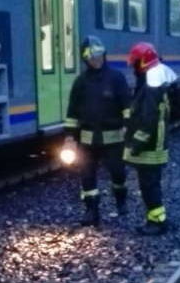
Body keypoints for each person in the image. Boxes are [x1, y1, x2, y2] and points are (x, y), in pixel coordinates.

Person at [64, 35, 131, 226]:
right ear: (85, 58)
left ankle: (121, 202)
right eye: (92, 56)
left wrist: (128, 126)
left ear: (104, 54)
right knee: (87, 177)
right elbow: (72, 112)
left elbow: (127, 105)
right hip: (87, 140)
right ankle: (91, 211)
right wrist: (69, 137)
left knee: (118, 174)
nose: (96, 59)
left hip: (113, 139)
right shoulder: (80, 82)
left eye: (99, 55)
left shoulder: (116, 78)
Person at [124, 42, 177, 236]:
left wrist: (136, 144)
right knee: (150, 183)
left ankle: (158, 222)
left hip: (150, 147)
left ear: (143, 63)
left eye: (135, 63)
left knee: (149, 185)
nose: (133, 67)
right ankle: (154, 218)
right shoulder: (155, 83)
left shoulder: (149, 87)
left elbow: (148, 120)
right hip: (155, 144)